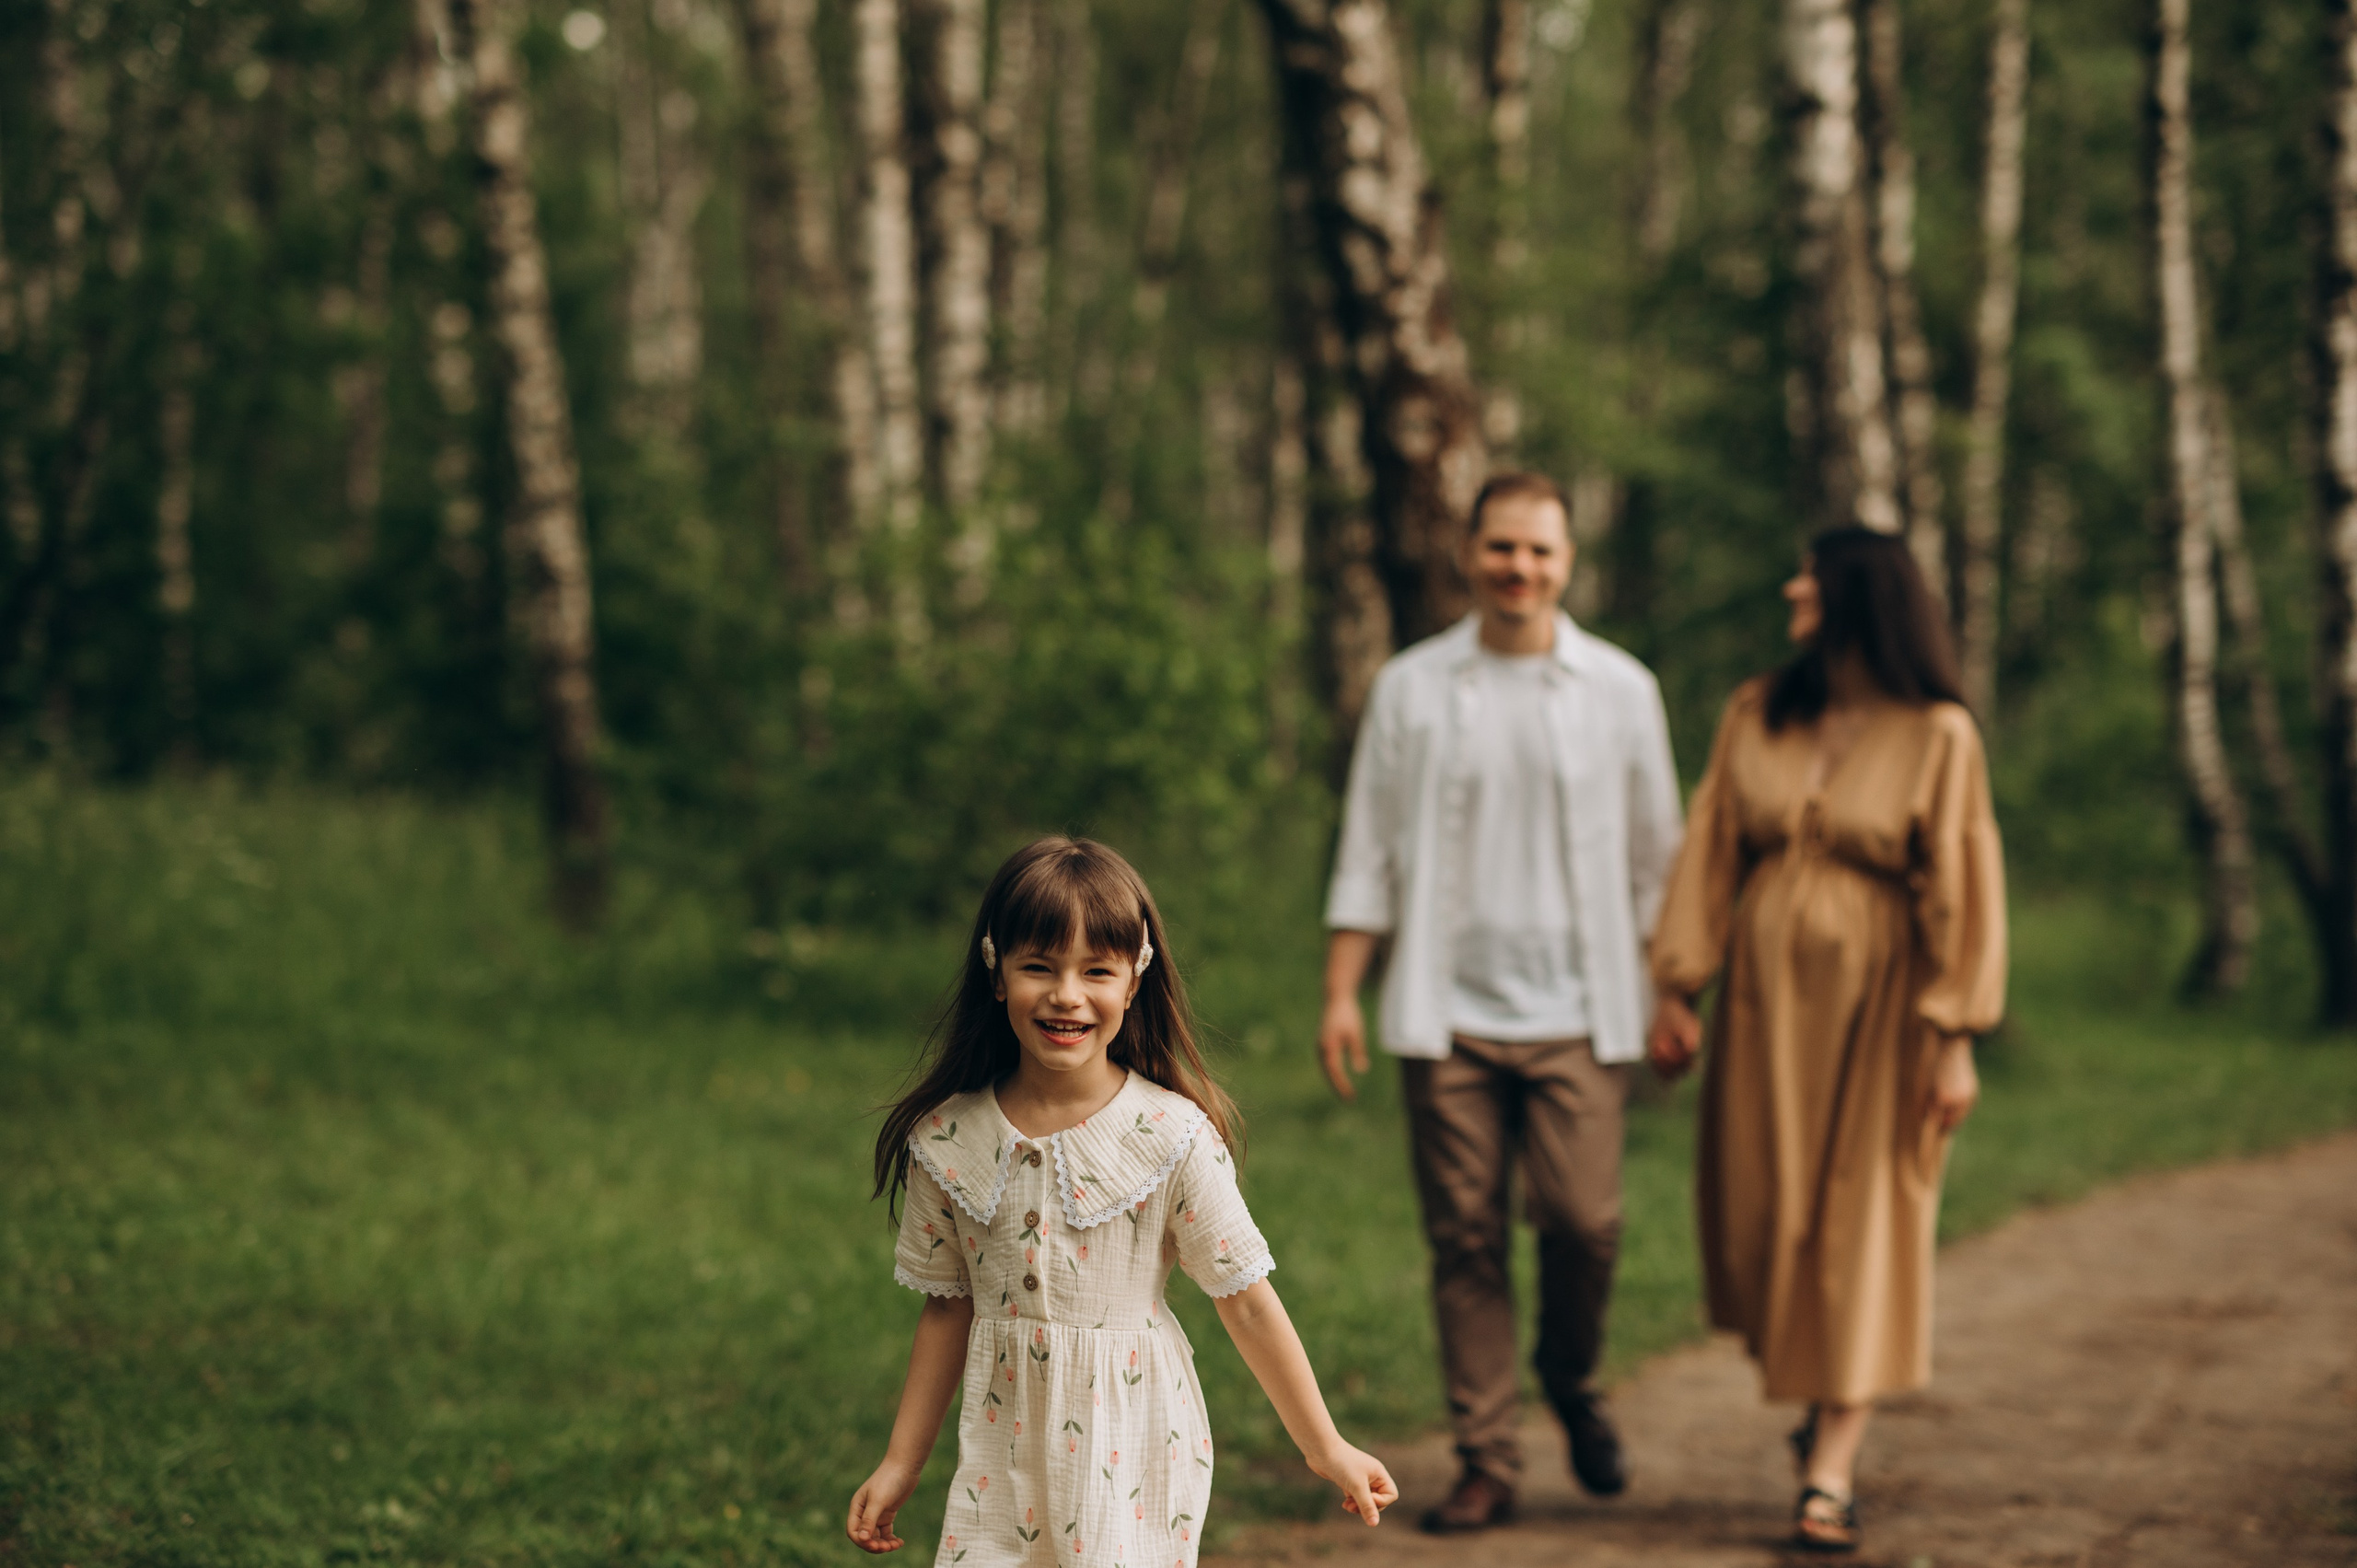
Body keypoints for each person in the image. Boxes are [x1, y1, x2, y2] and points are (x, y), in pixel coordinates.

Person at [848, 837, 1399, 1564]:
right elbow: (948, 1306)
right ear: (997, 972)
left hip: (1132, 1447)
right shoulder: (948, 1139)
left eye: (1096, 971)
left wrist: (1325, 1445)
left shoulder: (1169, 1136)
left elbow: (1247, 1300)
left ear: (1133, 981)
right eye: (1038, 967)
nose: (1066, 994)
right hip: (1000, 1454)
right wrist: (900, 1462)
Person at [1318, 473, 1685, 1533]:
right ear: (1469, 554)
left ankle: (1569, 1376)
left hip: (1582, 1008)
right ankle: (1486, 1455)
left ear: (1567, 562)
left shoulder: (1621, 688)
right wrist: (1343, 989)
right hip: (1449, 1012)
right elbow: (1370, 852)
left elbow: (1658, 861)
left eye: (1538, 550)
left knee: (1585, 1221)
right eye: (1500, 548)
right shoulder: (1414, 686)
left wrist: (1674, 992)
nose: (1518, 568)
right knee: (1465, 1239)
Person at [1646, 526, 2007, 1555]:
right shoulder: (1758, 708)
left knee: (1866, 1222)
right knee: (1766, 1219)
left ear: (1856, 594)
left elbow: (1964, 884)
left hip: (1886, 1009)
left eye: (1809, 572)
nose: (1790, 584)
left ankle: (1830, 1471)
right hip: (1764, 1010)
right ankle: (1820, 1388)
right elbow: (1711, 842)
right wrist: (1680, 984)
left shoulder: (1939, 732)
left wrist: (1953, 1034)